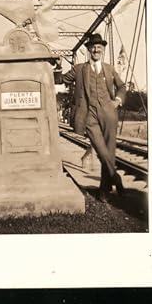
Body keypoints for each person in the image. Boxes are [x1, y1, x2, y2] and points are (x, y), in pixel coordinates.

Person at [54, 33, 126, 202]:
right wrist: (57, 67)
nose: (96, 49)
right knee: (102, 151)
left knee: (109, 152)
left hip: (108, 113)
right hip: (89, 116)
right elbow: (61, 80)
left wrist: (117, 100)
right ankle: (116, 178)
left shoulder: (109, 69)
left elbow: (122, 86)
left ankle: (104, 189)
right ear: (88, 50)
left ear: (103, 49)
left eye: (99, 47)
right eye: (93, 47)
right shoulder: (79, 69)